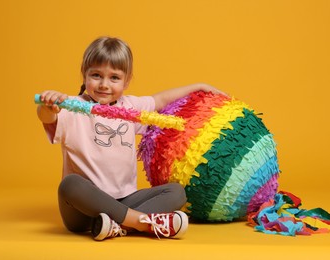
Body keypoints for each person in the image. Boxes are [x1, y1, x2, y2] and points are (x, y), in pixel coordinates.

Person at [37, 36, 224, 241]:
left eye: (114, 78)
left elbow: (160, 100)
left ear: (126, 80)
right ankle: (140, 223)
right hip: (83, 212)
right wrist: (48, 106)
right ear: (84, 75)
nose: (104, 85)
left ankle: (116, 226)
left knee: (177, 192)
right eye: (96, 75)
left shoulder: (130, 106)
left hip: (125, 200)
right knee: (70, 184)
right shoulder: (72, 106)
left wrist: (198, 86)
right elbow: (47, 117)